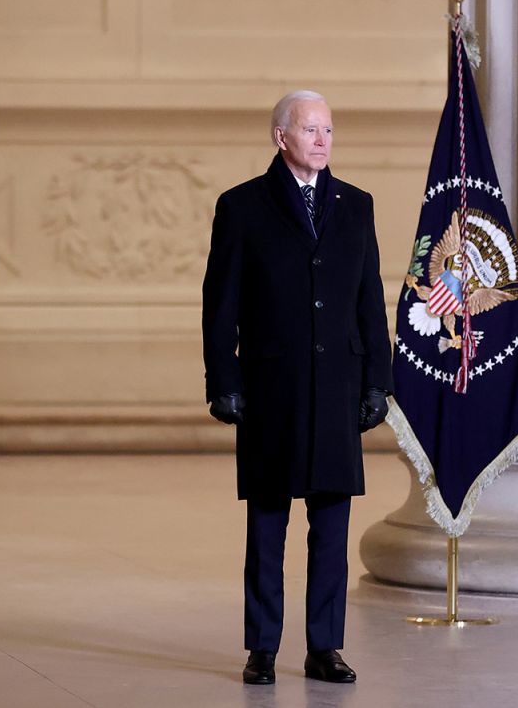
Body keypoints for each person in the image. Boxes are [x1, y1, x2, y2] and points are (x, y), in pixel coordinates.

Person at [201, 90, 393, 685]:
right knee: (267, 522)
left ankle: (324, 647)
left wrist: (377, 382)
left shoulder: (356, 206)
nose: (322, 140)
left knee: (332, 524)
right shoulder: (242, 207)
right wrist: (223, 379)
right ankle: (261, 647)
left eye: (329, 130)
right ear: (281, 135)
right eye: (311, 129)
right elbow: (219, 304)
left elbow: (370, 303)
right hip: (271, 389)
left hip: (337, 387)